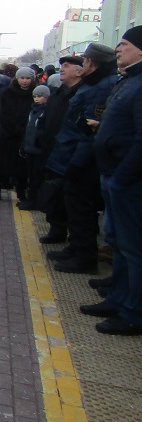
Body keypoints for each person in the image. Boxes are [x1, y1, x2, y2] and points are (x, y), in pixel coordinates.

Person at [81, 26, 142, 334]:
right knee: (119, 243)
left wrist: (121, 178)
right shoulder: (129, 81)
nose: (118, 49)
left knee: (133, 247)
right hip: (116, 175)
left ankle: (133, 312)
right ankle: (119, 298)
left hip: (129, 181)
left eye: (125, 44)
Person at [46, 43, 118, 274]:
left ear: (92, 63)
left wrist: (77, 162)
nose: (82, 63)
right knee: (73, 206)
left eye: (84, 60)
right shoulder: (94, 84)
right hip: (72, 153)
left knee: (82, 209)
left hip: (81, 159)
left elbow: (88, 132)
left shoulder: (100, 88)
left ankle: (84, 257)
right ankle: (75, 248)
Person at [37, 55, 84, 243]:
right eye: (61, 66)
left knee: (70, 199)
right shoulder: (58, 93)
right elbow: (45, 118)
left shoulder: (81, 94)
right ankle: (56, 230)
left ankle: (73, 240)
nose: (61, 69)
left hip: (69, 154)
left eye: (66, 66)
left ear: (79, 71)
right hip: (52, 152)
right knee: (54, 195)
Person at [0, 66, 36, 201]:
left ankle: (21, 193)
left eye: (28, 78)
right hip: (6, 134)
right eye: (22, 78)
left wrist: (24, 131)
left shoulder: (34, 95)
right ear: (17, 79)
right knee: (1, 164)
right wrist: (12, 128)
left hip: (24, 136)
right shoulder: (8, 93)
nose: (25, 81)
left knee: (21, 167)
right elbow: (3, 114)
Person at [19, 84, 50, 210]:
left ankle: (35, 201)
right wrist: (24, 145)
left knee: (37, 178)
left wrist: (40, 142)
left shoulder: (45, 112)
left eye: (40, 96)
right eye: (35, 96)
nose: (37, 99)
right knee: (31, 177)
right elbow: (27, 130)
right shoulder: (32, 112)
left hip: (38, 151)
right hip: (30, 149)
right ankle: (31, 200)